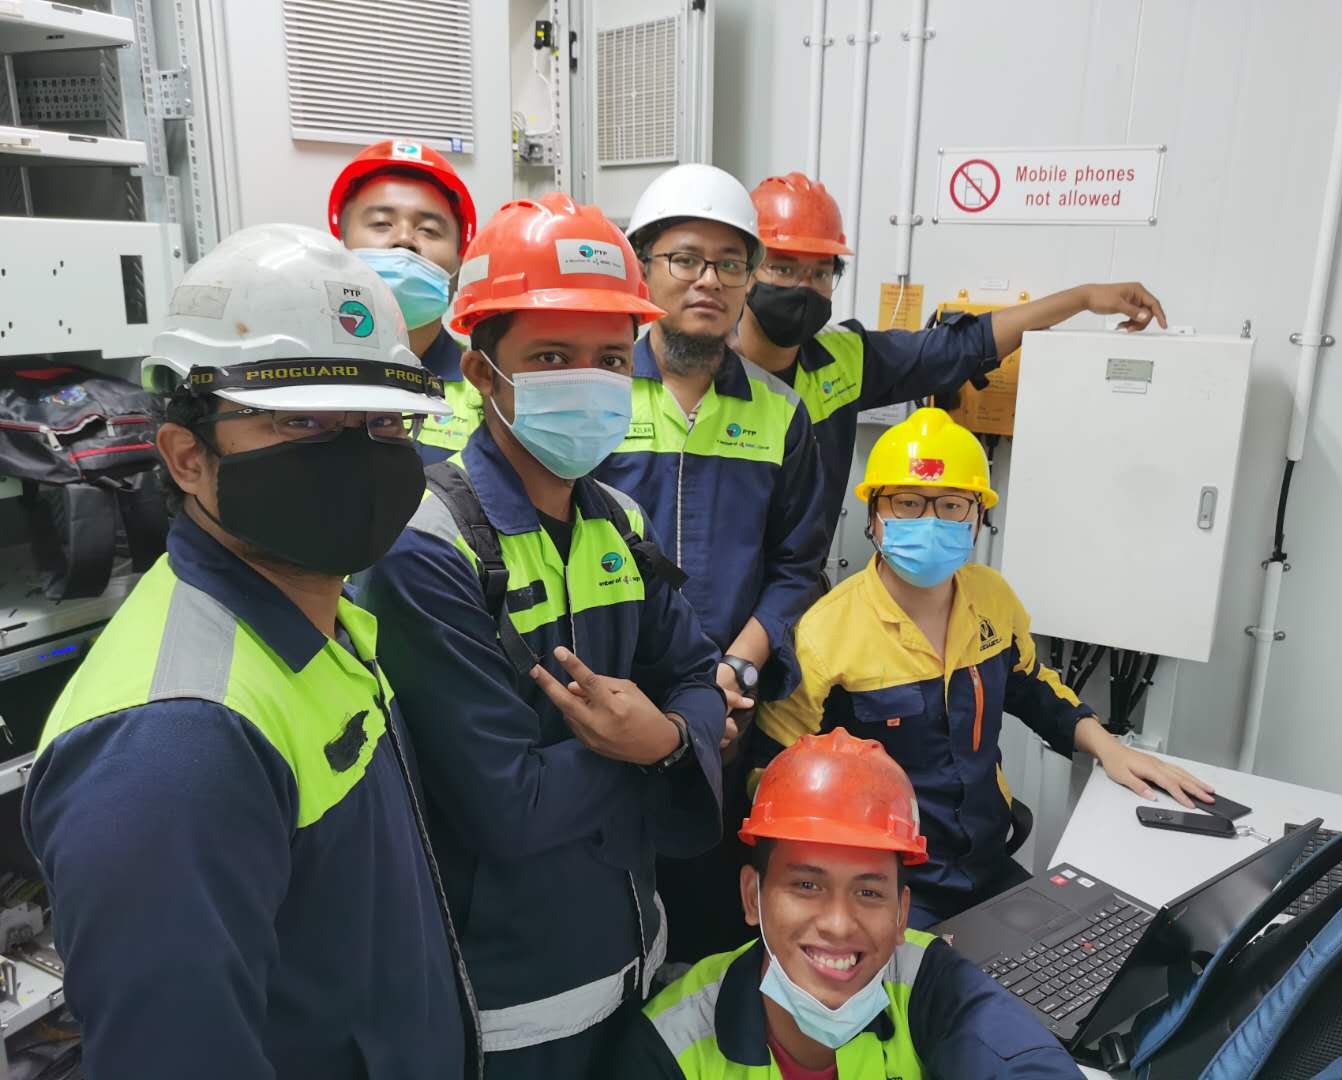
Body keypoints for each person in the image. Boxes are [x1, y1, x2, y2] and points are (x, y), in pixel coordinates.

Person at [21, 224, 477, 1079]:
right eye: (301, 421)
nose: (356, 457)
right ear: (187, 456)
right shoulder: (174, 744)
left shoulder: (326, 623)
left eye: (384, 422)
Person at [357, 192, 730, 1080]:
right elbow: (506, 807)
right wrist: (660, 752)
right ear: (482, 372)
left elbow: (697, 672)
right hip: (514, 1002)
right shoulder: (426, 547)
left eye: (611, 359)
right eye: (552, 357)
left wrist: (667, 738)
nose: (588, 381)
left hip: (635, 955)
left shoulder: (620, 521)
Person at [755, 409, 1213, 927]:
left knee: (1079, 948)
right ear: (873, 514)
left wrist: (1111, 750)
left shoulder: (991, 598)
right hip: (886, 883)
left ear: (978, 517)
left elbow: (1033, 687)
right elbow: (772, 777)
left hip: (986, 864)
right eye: (907, 502)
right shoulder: (824, 635)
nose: (930, 521)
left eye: (953, 505)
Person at [591, 162, 830, 962]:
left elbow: (797, 565)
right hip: (609, 698)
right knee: (605, 898)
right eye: (686, 259)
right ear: (644, 267)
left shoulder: (780, 412)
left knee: (705, 907)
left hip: (729, 712)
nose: (710, 280)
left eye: (732, 264)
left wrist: (738, 667)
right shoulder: (597, 395)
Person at [611, 729, 1083, 1078]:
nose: (839, 924)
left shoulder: (924, 980)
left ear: (901, 914)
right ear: (752, 897)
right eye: (807, 886)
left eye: (868, 892)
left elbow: (1025, 1060)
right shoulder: (670, 1045)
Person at [739, 171, 1170, 546]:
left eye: (820, 273)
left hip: (799, 590)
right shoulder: (710, 370)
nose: (805, 287)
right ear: (743, 269)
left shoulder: (844, 358)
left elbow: (963, 345)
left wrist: (1084, 297)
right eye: (783, 268)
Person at [330, 138, 483, 464]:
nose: (404, 239)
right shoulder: (297, 377)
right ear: (341, 247)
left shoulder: (486, 387)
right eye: (381, 224)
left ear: (459, 262)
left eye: (429, 230)